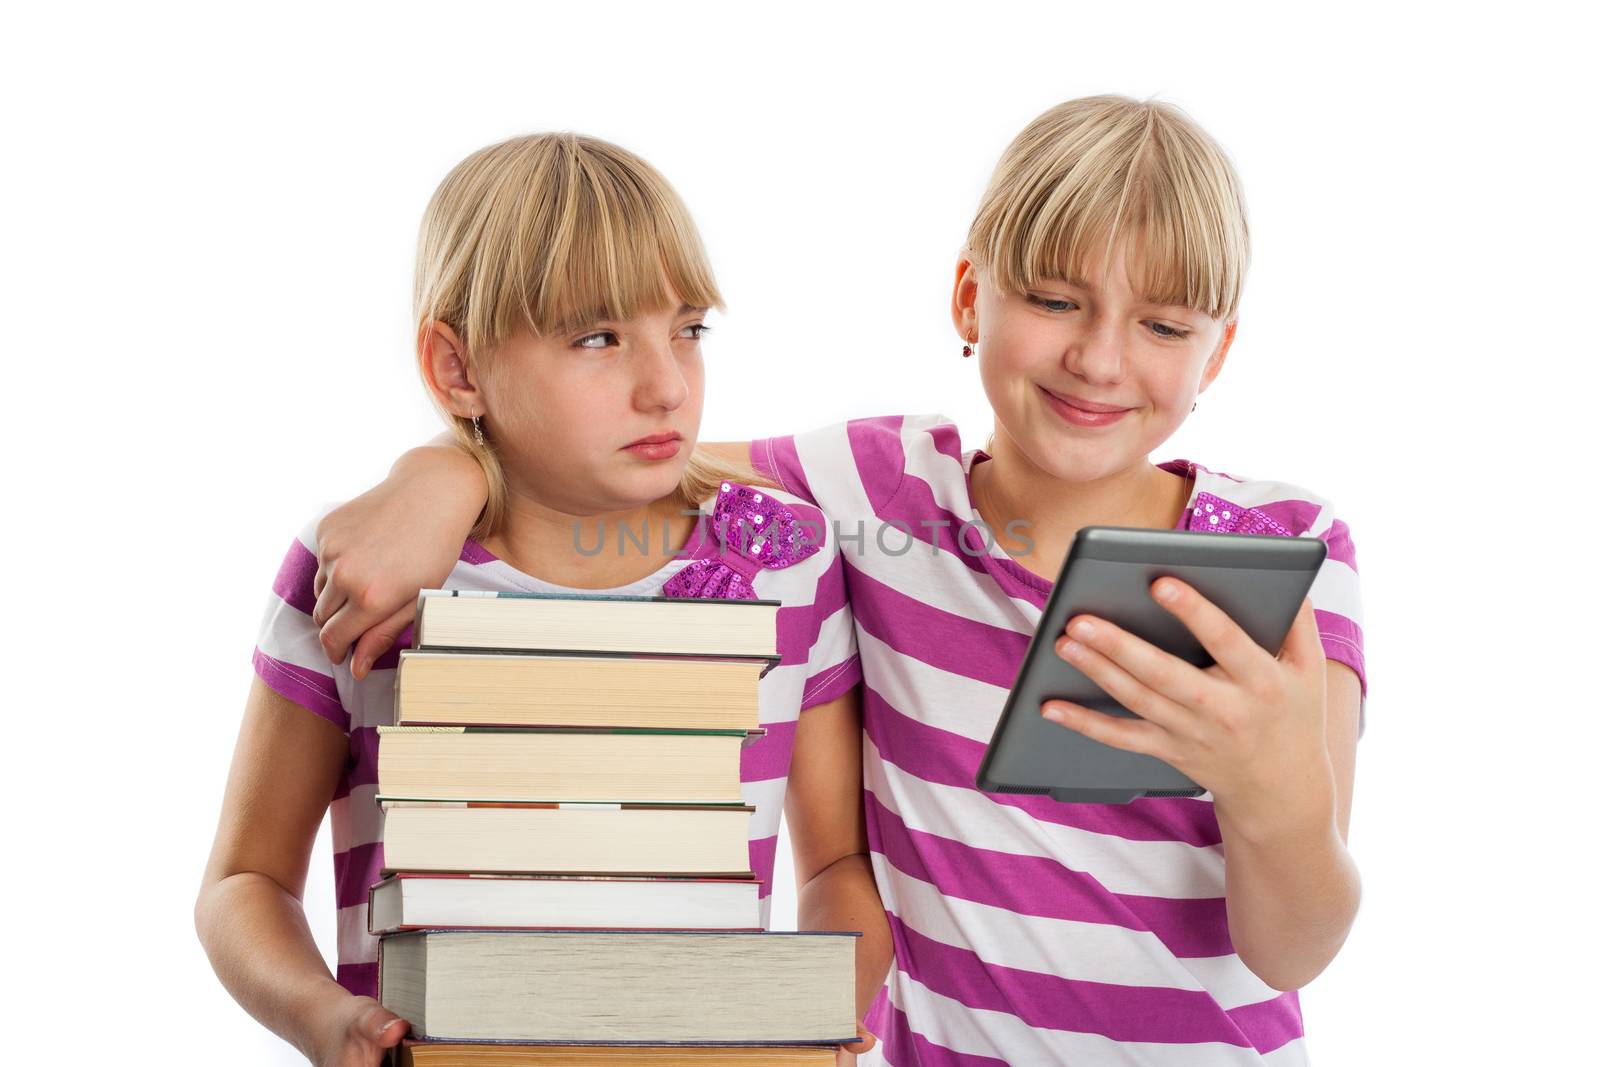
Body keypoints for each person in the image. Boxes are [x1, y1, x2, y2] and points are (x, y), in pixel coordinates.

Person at [309, 96, 1367, 1065]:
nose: (1099, 358)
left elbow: (1294, 950)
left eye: (1164, 326)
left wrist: (1272, 790)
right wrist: (439, 472)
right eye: (1054, 299)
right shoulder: (871, 485)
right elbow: (604, 456)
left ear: (1216, 353)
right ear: (969, 296)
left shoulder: (1284, 549)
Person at [195, 132, 889, 1067]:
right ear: (458, 369)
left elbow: (840, 865)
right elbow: (245, 878)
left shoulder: (786, 563)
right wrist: (321, 1017)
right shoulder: (363, 569)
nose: (667, 385)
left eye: (687, 329)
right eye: (598, 338)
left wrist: (822, 1022)